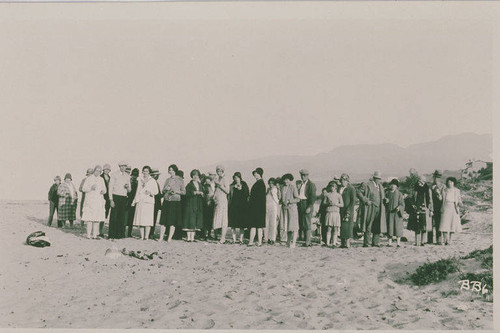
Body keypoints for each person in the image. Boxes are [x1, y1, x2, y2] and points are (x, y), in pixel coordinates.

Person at [357, 171, 387, 247]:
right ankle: (366, 243)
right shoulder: (367, 185)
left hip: (379, 208)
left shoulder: (381, 186)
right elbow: (358, 192)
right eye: (377, 178)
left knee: (377, 225)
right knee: (368, 225)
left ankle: (375, 242)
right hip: (370, 207)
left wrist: (386, 199)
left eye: (379, 178)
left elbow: (382, 197)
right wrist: (366, 200)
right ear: (373, 178)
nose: (379, 180)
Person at [159, 164, 186, 242]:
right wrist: (165, 189)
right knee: (163, 221)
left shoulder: (180, 180)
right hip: (167, 200)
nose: (171, 171)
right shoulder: (167, 180)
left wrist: (176, 192)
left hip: (175, 201)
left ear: (175, 171)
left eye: (172, 170)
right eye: (169, 170)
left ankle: (169, 238)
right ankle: (161, 237)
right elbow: (163, 191)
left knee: (172, 221)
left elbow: (184, 192)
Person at [132, 166, 159, 240]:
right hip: (141, 201)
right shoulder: (140, 180)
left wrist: (150, 192)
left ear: (149, 172)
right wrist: (135, 200)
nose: (145, 172)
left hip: (149, 202)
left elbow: (156, 191)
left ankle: (146, 236)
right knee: (141, 219)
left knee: (147, 220)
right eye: (144, 171)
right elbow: (138, 190)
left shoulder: (152, 180)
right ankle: (142, 236)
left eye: (147, 171)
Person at [81, 165, 107, 239]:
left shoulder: (101, 179)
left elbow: (105, 189)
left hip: (98, 201)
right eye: (96, 170)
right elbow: (83, 188)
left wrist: (103, 191)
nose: (98, 172)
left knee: (96, 220)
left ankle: (95, 235)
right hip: (90, 201)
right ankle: (89, 235)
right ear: (94, 170)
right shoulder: (89, 179)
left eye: (99, 171)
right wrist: (90, 188)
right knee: (89, 219)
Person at [108, 161, 131, 239]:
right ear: (119, 166)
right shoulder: (114, 175)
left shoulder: (127, 176)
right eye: (122, 166)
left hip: (123, 197)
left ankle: (119, 235)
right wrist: (111, 199)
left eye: (124, 166)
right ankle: (111, 235)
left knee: (121, 217)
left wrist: (127, 187)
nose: (123, 168)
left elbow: (129, 190)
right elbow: (110, 188)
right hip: (115, 196)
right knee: (114, 216)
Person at [407, 175, 433, 246]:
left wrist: (431, 210)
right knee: (417, 226)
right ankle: (417, 242)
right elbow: (410, 198)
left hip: (425, 209)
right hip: (416, 209)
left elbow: (430, 200)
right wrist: (412, 204)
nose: (419, 183)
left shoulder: (428, 190)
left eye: (421, 181)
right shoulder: (415, 189)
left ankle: (422, 242)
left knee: (424, 226)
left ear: (424, 182)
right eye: (419, 181)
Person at [439, 177, 463, 245]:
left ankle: (450, 240)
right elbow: (441, 198)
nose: (450, 183)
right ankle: (446, 239)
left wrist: (460, 203)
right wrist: (438, 195)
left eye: (451, 182)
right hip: (446, 207)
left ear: (454, 183)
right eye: (449, 182)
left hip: (454, 207)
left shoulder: (457, 190)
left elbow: (459, 198)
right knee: (444, 224)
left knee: (453, 224)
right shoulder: (444, 190)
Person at [183, 169, 205, 242]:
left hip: (198, 204)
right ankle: (188, 237)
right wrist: (194, 192)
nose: (195, 176)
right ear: (192, 176)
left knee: (195, 220)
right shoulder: (189, 185)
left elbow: (204, 193)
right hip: (190, 204)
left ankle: (192, 237)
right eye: (194, 175)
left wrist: (202, 193)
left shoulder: (200, 185)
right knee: (190, 220)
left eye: (197, 175)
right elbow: (186, 194)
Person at [297, 169, 317, 247]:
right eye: (302, 175)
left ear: (307, 176)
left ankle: (308, 242)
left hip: (306, 204)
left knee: (307, 223)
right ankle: (305, 240)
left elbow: (312, 197)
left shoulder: (311, 185)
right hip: (300, 204)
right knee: (302, 222)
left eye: (304, 175)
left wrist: (309, 206)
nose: (303, 177)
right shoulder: (302, 184)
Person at [228, 172, 249, 244]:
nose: (236, 179)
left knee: (241, 224)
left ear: (240, 178)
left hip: (242, 207)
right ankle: (234, 239)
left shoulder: (244, 184)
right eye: (235, 178)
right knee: (233, 224)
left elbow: (247, 194)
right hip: (233, 206)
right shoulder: (231, 186)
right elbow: (229, 196)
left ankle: (241, 239)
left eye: (238, 177)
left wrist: (241, 188)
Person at [248, 168, 267, 246]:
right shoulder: (260, 183)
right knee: (257, 225)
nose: (255, 175)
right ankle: (255, 241)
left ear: (260, 174)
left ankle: (256, 241)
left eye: (256, 173)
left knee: (256, 226)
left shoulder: (260, 183)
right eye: (254, 174)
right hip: (258, 207)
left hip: (257, 207)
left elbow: (258, 197)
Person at [280, 173, 300, 248]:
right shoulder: (282, 187)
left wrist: (290, 201)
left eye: (287, 179)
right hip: (285, 209)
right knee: (287, 226)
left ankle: (294, 243)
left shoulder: (293, 187)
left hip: (292, 209)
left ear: (290, 180)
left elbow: (298, 199)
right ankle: (288, 242)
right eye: (285, 180)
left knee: (294, 226)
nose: (286, 181)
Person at [213, 165, 230, 243]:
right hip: (218, 201)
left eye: (220, 171)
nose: (218, 172)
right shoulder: (218, 179)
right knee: (217, 218)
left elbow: (227, 191)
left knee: (223, 219)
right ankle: (218, 236)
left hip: (223, 201)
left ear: (223, 171)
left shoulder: (225, 179)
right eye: (217, 171)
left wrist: (219, 185)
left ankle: (222, 238)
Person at [324, 181, 344, 247]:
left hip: (336, 212)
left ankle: (334, 243)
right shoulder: (327, 194)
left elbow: (342, 204)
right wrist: (328, 203)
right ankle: (327, 243)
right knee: (329, 228)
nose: (332, 188)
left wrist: (336, 204)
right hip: (329, 212)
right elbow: (324, 203)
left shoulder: (339, 195)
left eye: (333, 187)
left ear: (336, 187)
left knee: (335, 228)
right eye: (331, 186)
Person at [386, 179, 405, 247]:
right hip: (390, 213)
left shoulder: (399, 194)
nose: (393, 186)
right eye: (392, 185)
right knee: (390, 228)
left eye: (394, 185)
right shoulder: (387, 193)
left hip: (397, 213)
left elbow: (402, 204)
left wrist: (399, 207)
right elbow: (385, 203)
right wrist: (386, 201)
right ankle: (389, 243)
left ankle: (398, 243)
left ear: (397, 186)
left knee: (398, 228)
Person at [339, 173, 356, 248]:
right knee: (342, 226)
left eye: (344, 180)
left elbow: (353, 200)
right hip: (340, 209)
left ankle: (348, 243)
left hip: (348, 210)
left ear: (347, 181)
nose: (343, 182)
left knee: (348, 227)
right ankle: (342, 243)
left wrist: (348, 210)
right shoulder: (339, 188)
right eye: (342, 180)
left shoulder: (351, 188)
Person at [431, 169, 445, 244]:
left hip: (439, 206)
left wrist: (438, 193)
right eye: (436, 177)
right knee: (430, 223)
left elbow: (443, 198)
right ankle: (430, 240)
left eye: (438, 177)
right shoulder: (431, 185)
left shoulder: (443, 186)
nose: (436, 179)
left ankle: (439, 239)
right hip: (431, 205)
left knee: (438, 223)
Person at [265, 178, 280, 245]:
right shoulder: (268, 190)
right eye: (270, 183)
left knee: (273, 224)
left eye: (272, 183)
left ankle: (273, 239)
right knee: (267, 223)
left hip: (274, 207)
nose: (271, 185)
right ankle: (268, 238)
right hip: (267, 207)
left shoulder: (275, 189)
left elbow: (277, 200)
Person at [202, 173, 216, 240]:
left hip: (211, 203)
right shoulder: (204, 186)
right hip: (206, 204)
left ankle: (209, 233)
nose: (208, 181)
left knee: (210, 219)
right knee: (206, 219)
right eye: (206, 180)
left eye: (209, 180)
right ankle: (205, 234)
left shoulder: (212, 186)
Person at [149, 168, 162, 240]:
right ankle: (150, 234)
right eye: (157, 175)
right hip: (154, 203)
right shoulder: (154, 182)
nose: (158, 176)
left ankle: (150, 233)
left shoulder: (155, 182)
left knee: (152, 219)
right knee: (153, 219)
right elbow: (157, 194)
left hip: (154, 203)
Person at [126, 168, 139, 237]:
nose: (134, 176)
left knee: (129, 218)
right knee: (128, 218)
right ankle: (127, 232)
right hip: (129, 200)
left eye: (136, 175)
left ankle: (128, 233)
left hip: (130, 200)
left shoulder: (135, 182)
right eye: (134, 175)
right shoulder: (134, 181)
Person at [100, 163, 112, 237]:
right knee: (100, 214)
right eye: (105, 169)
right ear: (103, 170)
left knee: (105, 215)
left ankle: (100, 230)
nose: (107, 170)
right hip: (101, 197)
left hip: (108, 199)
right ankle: (98, 231)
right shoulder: (100, 177)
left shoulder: (110, 178)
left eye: (108, 169)